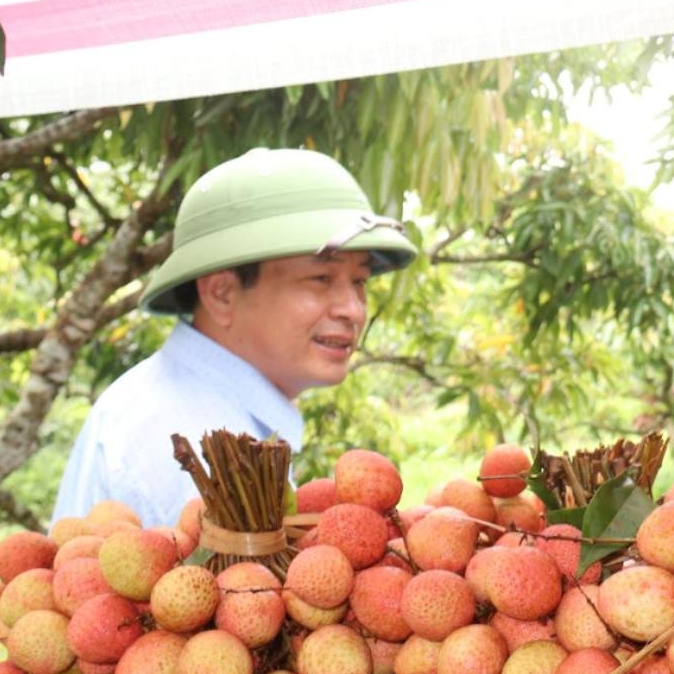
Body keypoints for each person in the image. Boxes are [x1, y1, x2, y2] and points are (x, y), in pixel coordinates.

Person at [52, 148, 417, 529]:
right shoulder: (190, 446)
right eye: (321, 279)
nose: (353, 310)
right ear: (222, 294)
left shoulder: (202, 413)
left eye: (359, 281)